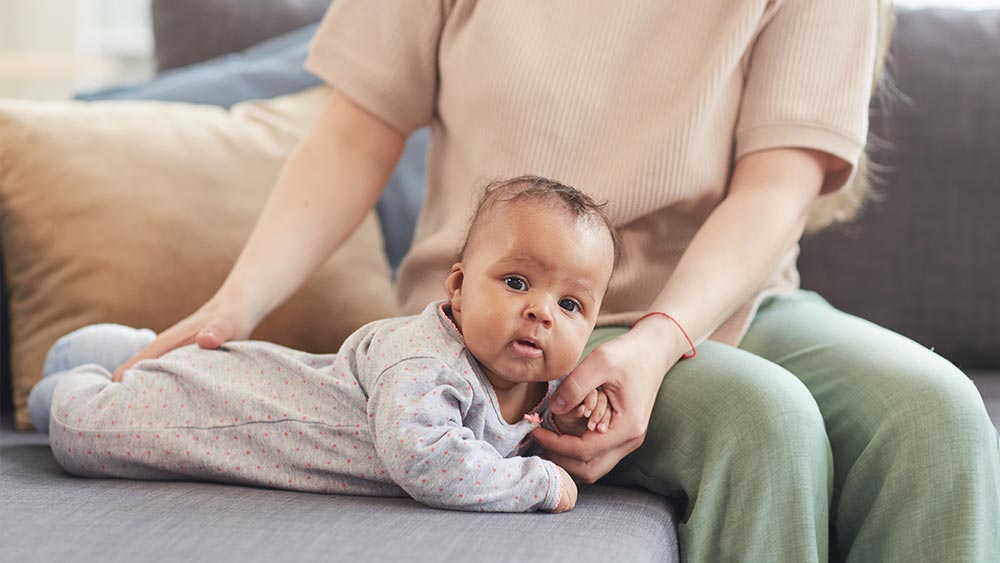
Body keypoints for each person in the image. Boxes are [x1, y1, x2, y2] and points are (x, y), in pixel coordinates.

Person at [107, 1, 1000, 560]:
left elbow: (779, 186)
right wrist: (233, 306)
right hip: (516, 330)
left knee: (941, 416)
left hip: (727, 298)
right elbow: (355, 133)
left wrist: (656, 344)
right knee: (763, 422)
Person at [29, 176, 622, 513]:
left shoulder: (532, 381)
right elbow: (428, 461)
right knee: (78, 429)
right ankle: (72, 378)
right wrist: (538, 484)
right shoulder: (427, 364)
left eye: (571, 305)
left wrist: (573, 415)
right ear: (461, 289)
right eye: (516, 282)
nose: (541, 311)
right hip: (216, 415)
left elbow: (514, 432)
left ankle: (123, 352)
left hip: (252, 373)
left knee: (161, 364)